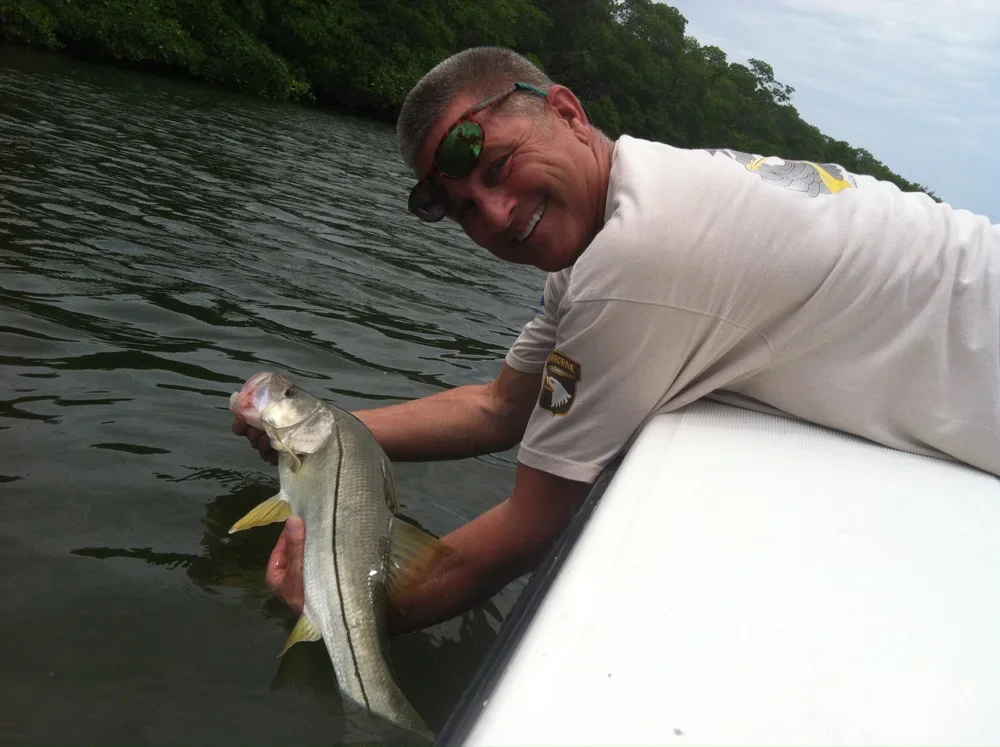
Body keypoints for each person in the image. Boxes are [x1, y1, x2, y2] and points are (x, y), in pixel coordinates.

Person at [232, 46, 1000, 632]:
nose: (495, 215)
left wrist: (346, 609)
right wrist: (311, 432)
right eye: (465, 209)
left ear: (566, 110)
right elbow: (499, 409)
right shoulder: (619, 221)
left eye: (499, 166)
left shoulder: (640, 253)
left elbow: (529, 529)